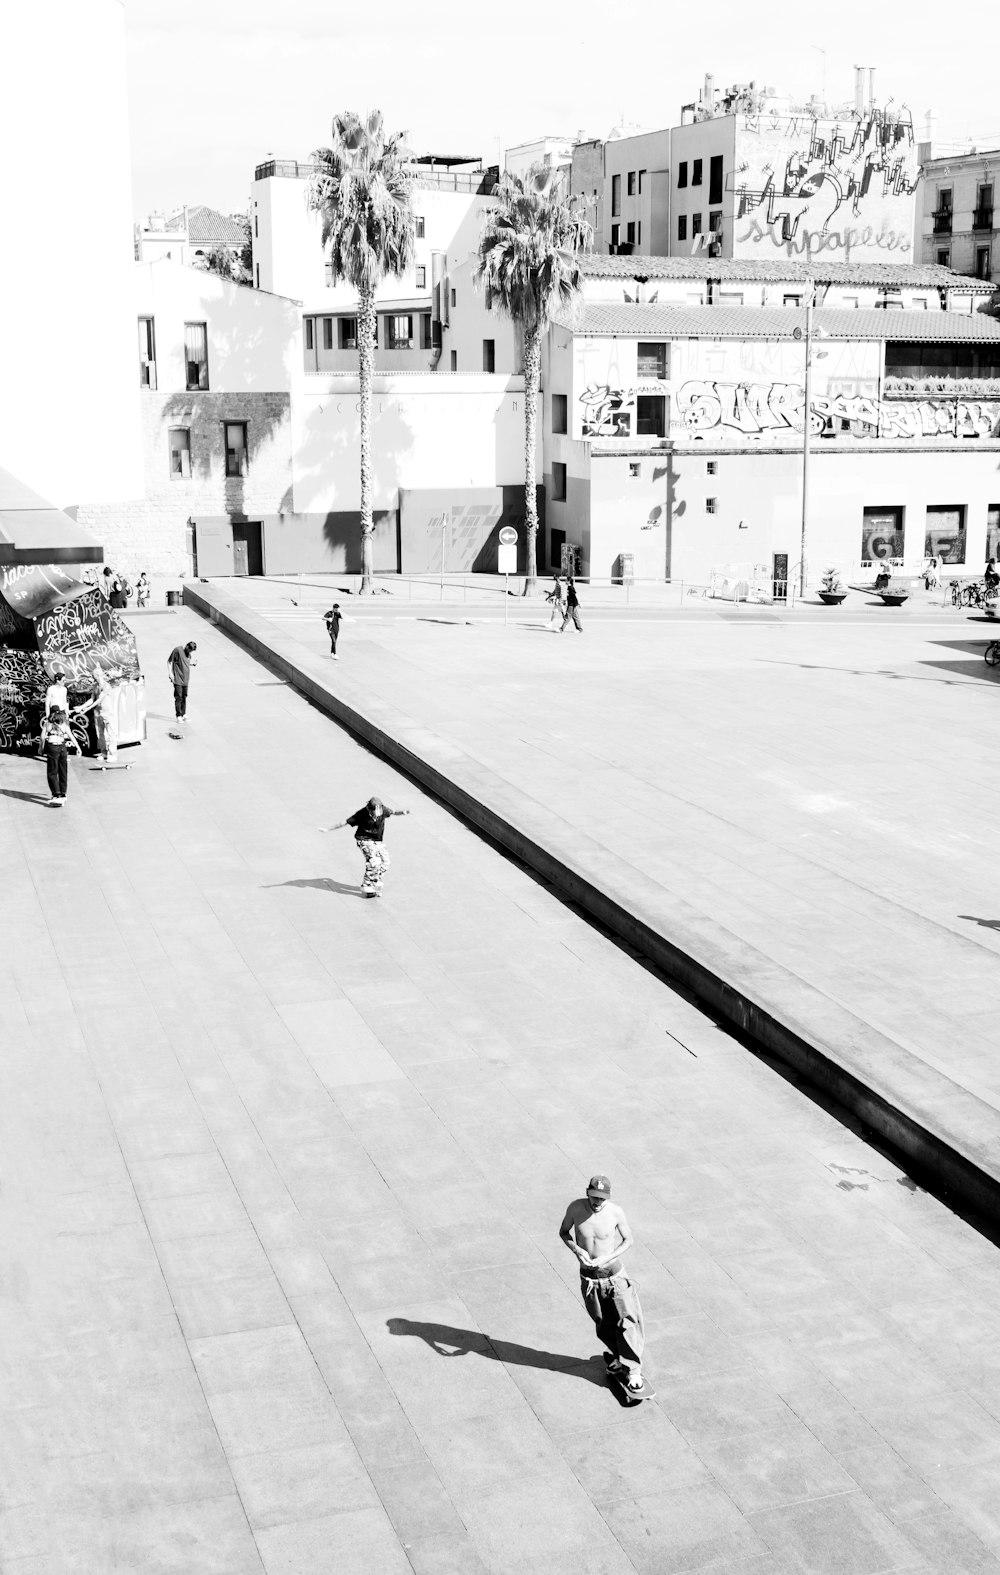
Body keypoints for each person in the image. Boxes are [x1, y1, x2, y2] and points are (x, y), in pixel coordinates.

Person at [560, 1175, 647, 1396]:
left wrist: (609, 1257)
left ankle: (634, 1370)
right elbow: (563, 1232)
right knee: (602, 1322)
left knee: (627, 1321)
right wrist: (577, 1250)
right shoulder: (575, 1208)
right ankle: (619, 1357)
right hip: (589, 1279)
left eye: (602, 1199)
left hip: (614, 1276)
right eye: (595, 1197)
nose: (598, 1203)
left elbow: (628, 1240)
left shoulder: (615, 1212)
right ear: (588, 1192)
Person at [320, 795, 410, 898]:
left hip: (377, 841)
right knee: (374, 861)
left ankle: (375, 880)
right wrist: (328, 829)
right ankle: (367, 884)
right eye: (374, 814)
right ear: (369, 809)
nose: (376, 815)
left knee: (385, 862)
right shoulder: (361, 814)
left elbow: (394, 812)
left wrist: (404, 812)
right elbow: (344, 822)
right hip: (364, 840)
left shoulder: (383, 810)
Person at [74, 666, 119, 761]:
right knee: (100, 734)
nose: (92, 677)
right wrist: (82, 707)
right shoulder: (95, 686)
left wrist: (86, 710)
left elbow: (99, 700)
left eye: (93, 675)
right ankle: (104, 753)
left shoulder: (106, 686)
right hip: (98, 713)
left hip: (107, 713)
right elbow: (92, 699)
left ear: (98, 675)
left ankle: (113, 754)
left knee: (111, 734)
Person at [40, 707, 79, 805]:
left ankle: (56, 794)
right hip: (62, 747)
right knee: (63, 771)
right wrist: (79, 748)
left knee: (52, 771)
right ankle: (63, 793)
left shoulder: (48, 724)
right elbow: (71, 736)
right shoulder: (64, 725)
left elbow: (42, 737)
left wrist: (41, 748)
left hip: (52, 747)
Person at [168, 640, 197, 723]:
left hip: (185, 680)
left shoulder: (189, 655)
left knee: (184, 697)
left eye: (192, 651)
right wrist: (170, 674)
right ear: (187, 646)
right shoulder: (178, 650)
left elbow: (185, 664)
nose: (190, 651)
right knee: (178, 697)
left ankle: (184, 714)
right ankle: (178, 715)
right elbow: (169, 661)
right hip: (177, 679)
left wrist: (192, 664)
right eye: (190, 649)